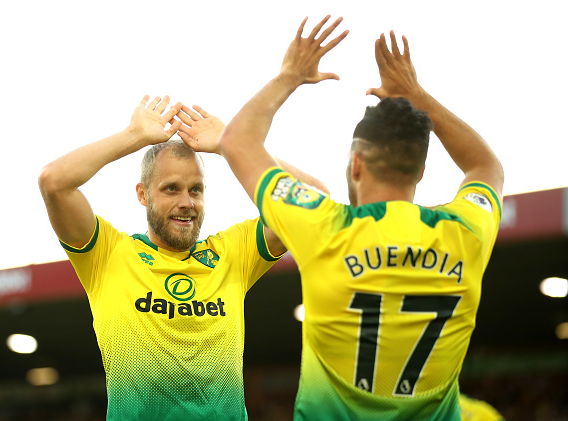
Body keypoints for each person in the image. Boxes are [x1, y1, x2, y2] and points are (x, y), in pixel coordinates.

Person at [214, 16, 504, 420]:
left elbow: (237, 140)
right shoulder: (466, 232)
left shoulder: (323, 226)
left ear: (355, 165)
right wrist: (417, 96)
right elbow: (485, 166)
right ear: (421, 171)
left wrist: (290, 75)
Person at [38, 95, 326, 420]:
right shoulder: (109, 254)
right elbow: (54, 182)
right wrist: (132, 136)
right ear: (143, 194)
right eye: (171, 189)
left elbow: (314, 200)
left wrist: (233, 145)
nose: (187, 202)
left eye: (196, 189)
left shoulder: (232, 253)